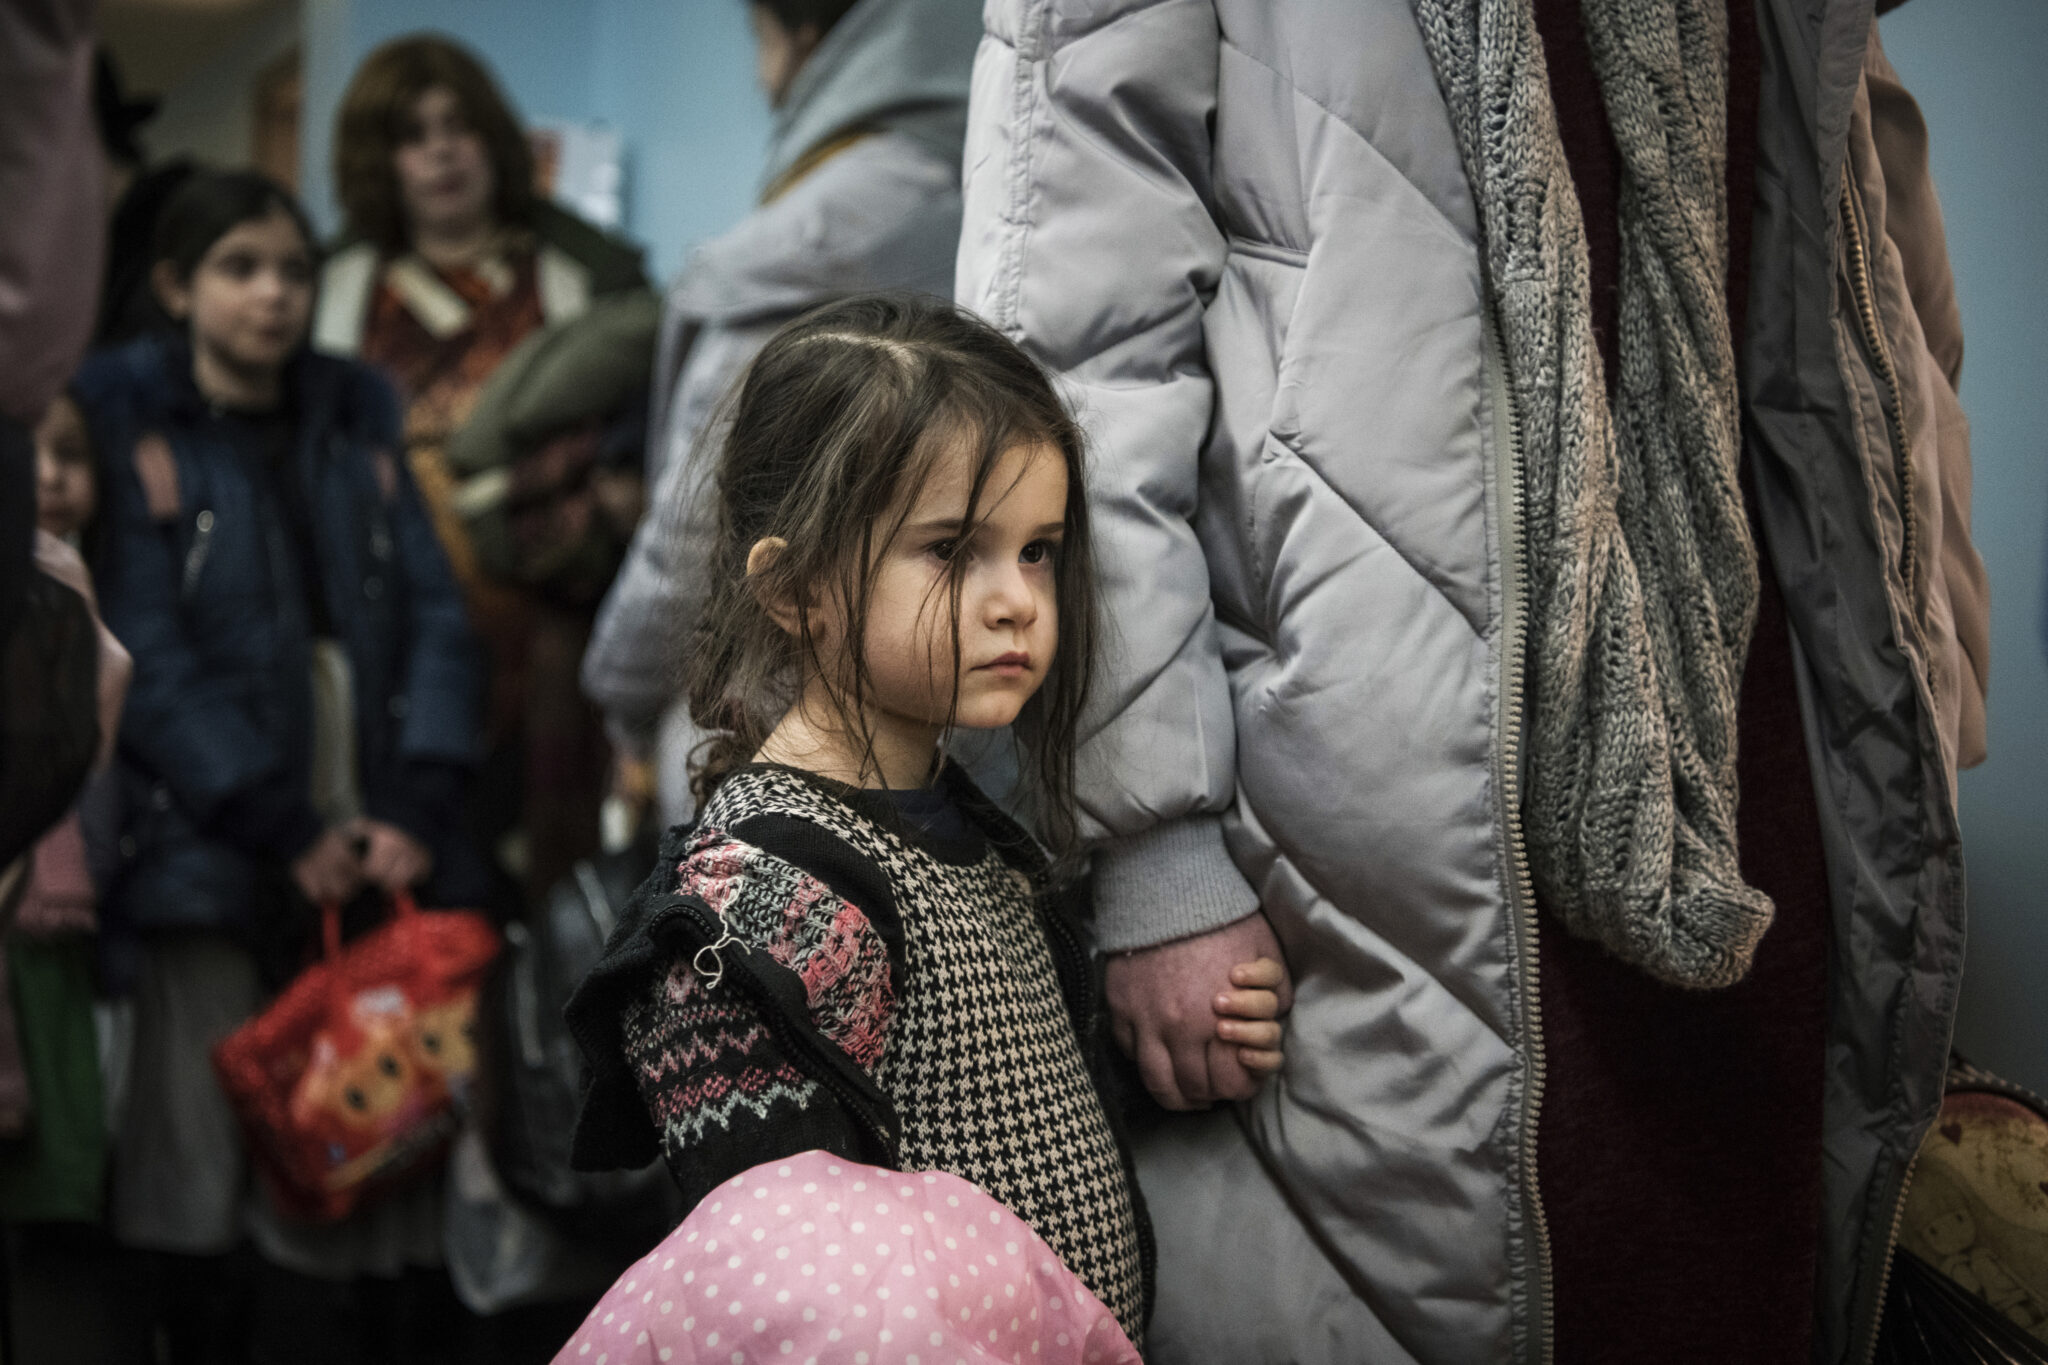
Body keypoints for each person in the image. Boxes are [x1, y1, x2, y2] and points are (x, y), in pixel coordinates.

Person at [953, 0, 1989, 1361]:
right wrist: (1150, 840)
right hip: (1363, 822)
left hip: (1764, 767)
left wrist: (1929, 689)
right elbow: (1070, 358)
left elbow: (1888, 305)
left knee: (1740, 1282)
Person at [563, 295, 1291, 1346]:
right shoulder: (763, 897)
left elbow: (1005, 1096)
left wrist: (1160, 1052)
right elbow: (786, 1292)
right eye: (953, 550)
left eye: (1037, 550)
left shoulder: (961, 826)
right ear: (796, 587)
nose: (1018, 600)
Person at [74, 169, 482, 1362]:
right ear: (175, 287)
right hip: (207, 829)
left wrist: (414, 803)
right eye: (239, 269)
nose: (272, 295)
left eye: (293, 271)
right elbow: (143, 651)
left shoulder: (355, 420)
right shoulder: (130, 426)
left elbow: (437, 615)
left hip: (364, 805)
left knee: (359, 1137)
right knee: (195, 1157)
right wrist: (274, 821)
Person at [581, 0, 983, 829]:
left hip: (782, 735)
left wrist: (621, 689)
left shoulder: (809, 238)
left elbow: (695, 525)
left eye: (760, 41)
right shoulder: (1000, 197)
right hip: (970, 736)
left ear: (807, 37)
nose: (762, 81)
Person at [319, 34, 648, 909]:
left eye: (458, 127)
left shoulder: (585, 279)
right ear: (379, 159)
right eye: (413, 134)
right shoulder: (336, 292)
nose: (441, 153)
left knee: (557, 904)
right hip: (395, 654)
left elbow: (643, 431)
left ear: (494, 140)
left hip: (556, 642)